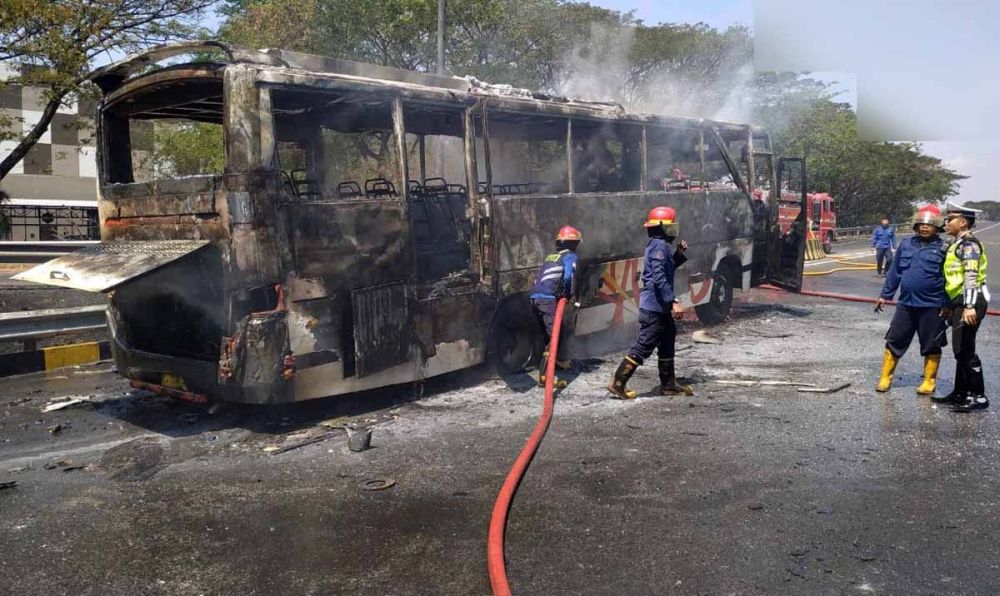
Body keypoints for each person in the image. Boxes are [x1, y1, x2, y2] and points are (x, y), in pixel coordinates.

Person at [607, 206, 693, 399]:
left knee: (667, 338)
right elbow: (659, 277)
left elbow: (664, 270)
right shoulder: (659, 246)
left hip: (658, 307)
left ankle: (669, 384)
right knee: (644, 345)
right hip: (654, 307)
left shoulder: (660, 245)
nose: (673, 230)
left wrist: (677, 255)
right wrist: (673, 301)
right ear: (661, 227)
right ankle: (618, 382)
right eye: (670, 226)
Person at [874, 205, 948, 394]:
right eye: (921, 224)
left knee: (932, 343)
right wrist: (885, 295)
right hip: (906, 304)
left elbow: (951, 279)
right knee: (894, 339)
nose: (924, 227)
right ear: (916, 224)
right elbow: (895, 272)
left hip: (933, 306)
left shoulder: (945, 248)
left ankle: (929, 381)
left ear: (938, 227)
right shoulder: (906, 244)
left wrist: (947, 303)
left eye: (930, 224)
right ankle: (885, 377)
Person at [933, 202, 990, 412]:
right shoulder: (956, 243)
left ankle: (978, 396)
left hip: (971, 301)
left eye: (950, 219)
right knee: (959, 349)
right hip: (958, 301)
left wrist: (968, 306)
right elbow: (951, 279)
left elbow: (971, 277)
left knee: (966, 348)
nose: (946, 223)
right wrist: (949, 305)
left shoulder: (969, 245)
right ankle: (960, 393)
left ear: (963, 222)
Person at [530, 225, 581, 389]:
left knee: (548, 337)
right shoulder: (570, 257)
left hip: (535, 298)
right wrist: (567, 295)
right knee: (554, 338)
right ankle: (546, 378)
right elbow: (568, 277)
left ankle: (554, 365)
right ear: (574, 244)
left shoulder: (551, 256)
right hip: (547, 300)